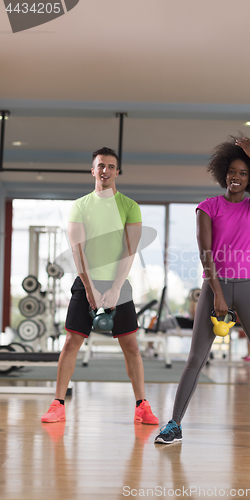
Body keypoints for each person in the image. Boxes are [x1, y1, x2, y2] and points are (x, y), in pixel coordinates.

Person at [155, 136, 250, 447]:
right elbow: (205, 254)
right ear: (223, 173)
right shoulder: (207, 207)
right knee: (196, 358)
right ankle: (173, 425)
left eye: (244, 173)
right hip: (216, 286)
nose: (236, 177)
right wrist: (218, 294)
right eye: (232, 171)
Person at [41, 147, 158, 426]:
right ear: (92, 170)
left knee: (131, 345)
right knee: (71, 342)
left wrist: (117, 287)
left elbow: (129, 251)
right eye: (100, 166)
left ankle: (142, 406)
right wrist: (90, 287)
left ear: (117, 171)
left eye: (110, 166)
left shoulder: (130, 206)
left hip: (119, 282)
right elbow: (77, 251)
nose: (105, 170)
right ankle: (57, 404)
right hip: (85, 281)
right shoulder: (80, 205)